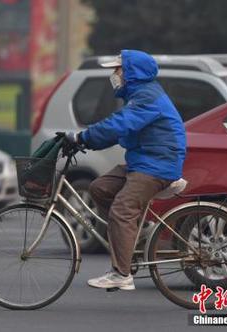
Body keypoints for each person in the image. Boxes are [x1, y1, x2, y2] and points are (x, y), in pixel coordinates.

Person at [66, 49, 186, 290]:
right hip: (143, 160)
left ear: (132, 73)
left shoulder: (147, 97)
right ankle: (140, 234)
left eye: (117, 70)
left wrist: (83, 136)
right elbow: (120, 129)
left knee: (122, 210)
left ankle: (121, 274)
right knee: (100, 188)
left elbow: (121, 123)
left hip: (157, 164)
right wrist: (85, 141)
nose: (114, 75)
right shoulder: (139, 95)